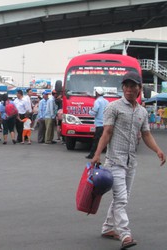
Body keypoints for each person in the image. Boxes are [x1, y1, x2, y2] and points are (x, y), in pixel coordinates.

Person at [91, 72, 166, 250]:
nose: (129, 89)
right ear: (122, 88)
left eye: (133, 86)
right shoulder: (113, 107)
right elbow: (106, 132)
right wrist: (97, 154)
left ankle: (108, 228)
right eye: (126, 86)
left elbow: (146, 134)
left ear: (140, 89)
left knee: (122, 198)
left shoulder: (141, 111)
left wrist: (158, 150)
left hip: (131, 162)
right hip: (114, 161)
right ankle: (125, 234)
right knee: (121, 199)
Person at [86, 87, 109, 159]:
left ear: (97, 93)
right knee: (106, 140)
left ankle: (92, 154)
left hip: (99, 124)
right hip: (106, 124)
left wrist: (89, 112)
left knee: (96, 140)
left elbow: (94, 112)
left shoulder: (97, 101)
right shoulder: (106, 101)